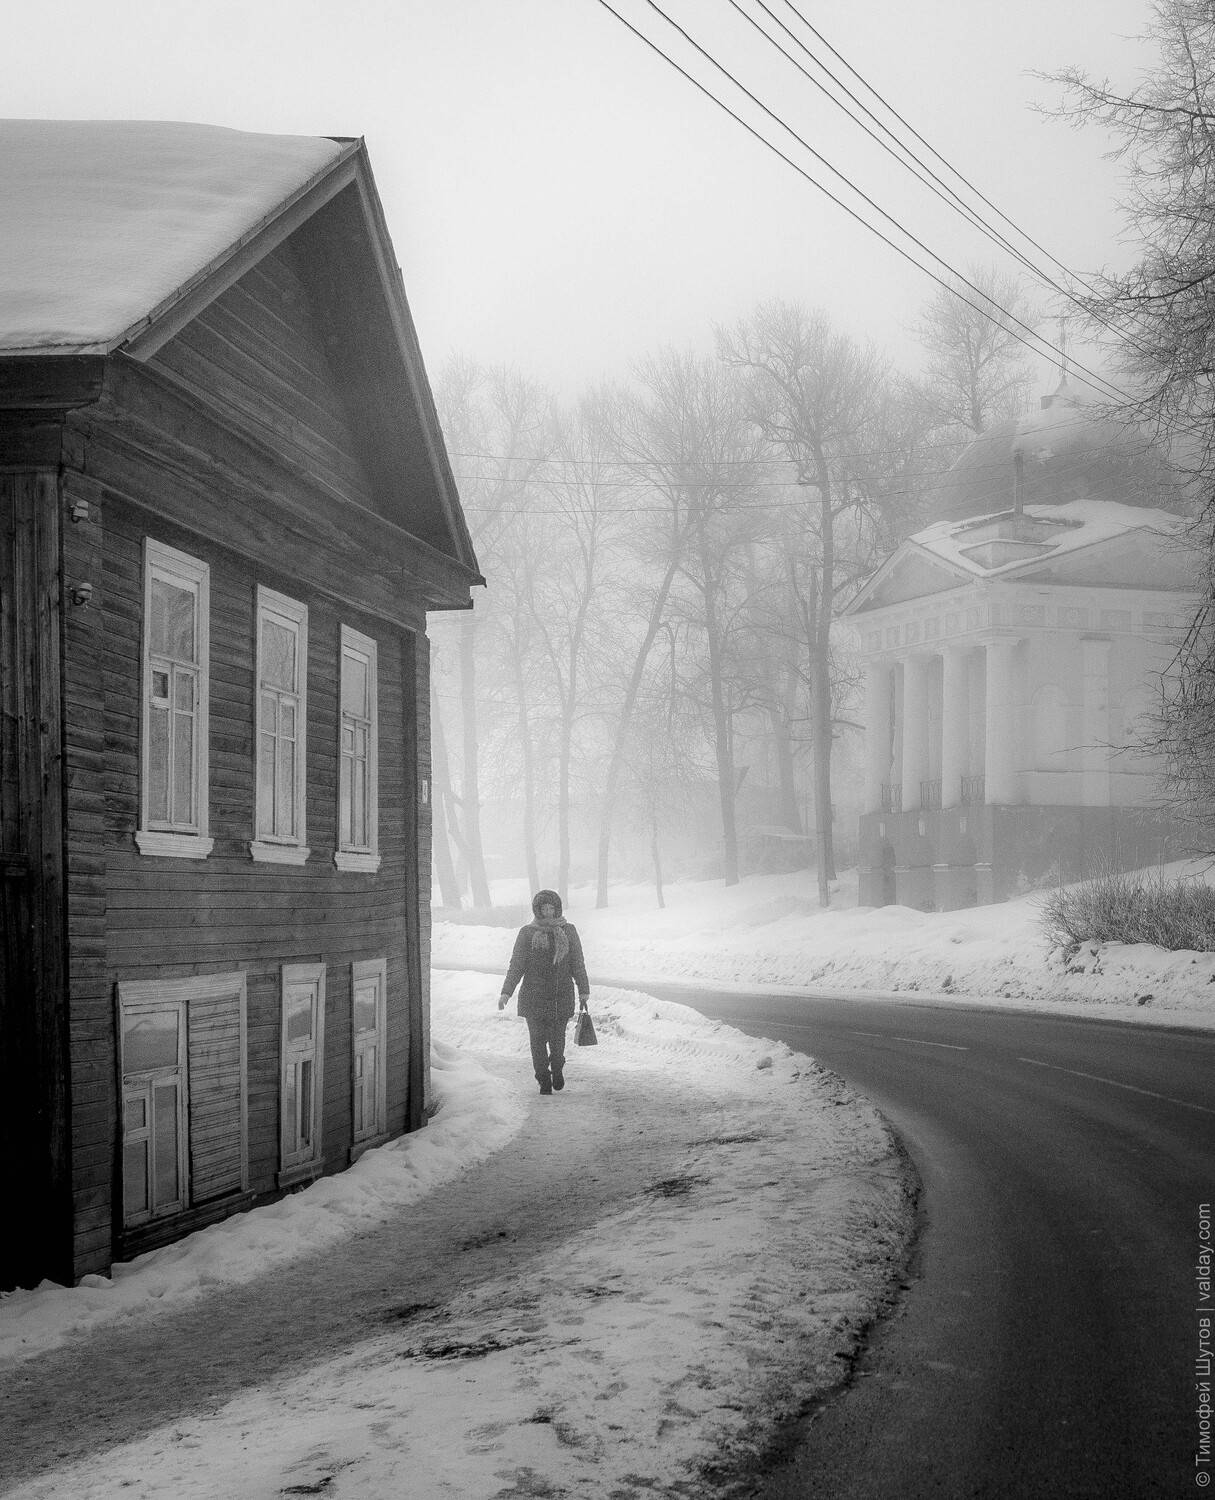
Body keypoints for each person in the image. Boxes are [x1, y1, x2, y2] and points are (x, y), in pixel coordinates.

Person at [498, 889, 590, 1095]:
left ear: (557, 909)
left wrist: (583, 989)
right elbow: (517, 964)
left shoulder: (568, 931)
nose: (548, 913)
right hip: (534, 996)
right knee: (537, 1041)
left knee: (557, 1042)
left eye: (552, 908)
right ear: (537, 910)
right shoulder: (527, 933)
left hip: (561, 994)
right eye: (544, 909)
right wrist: (506, 992)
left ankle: (557, 1067)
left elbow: (577, 962)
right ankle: (543, 1079)